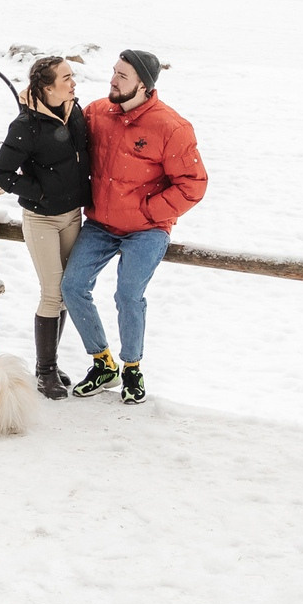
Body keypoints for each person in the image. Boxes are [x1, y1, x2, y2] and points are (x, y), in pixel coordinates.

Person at [63, 49, 206, 402]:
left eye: (122, 76)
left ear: (143, 85)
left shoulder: (171, 127)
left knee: (128, 294)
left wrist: (149, 211)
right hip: (100, 224)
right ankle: (103, 363)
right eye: (113, 72)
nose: (112, 80)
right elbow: (59, 132)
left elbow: (193, 184)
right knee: (72, 286)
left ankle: (131, 369)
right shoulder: (97, 113)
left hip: (147, 229)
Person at [0, 55, 91, 398]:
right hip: (41, 219)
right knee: (52, 292)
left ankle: (51, 364)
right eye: (66, 78)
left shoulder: (73, 111)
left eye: (72, 76)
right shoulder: (26, 126)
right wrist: (40, 192)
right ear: (47, 88)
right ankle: (44, 371)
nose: (73, 83)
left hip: (72, 215)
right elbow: (0, 172)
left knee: (65, 292)